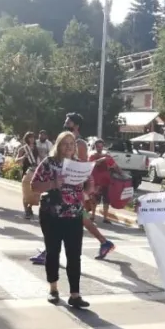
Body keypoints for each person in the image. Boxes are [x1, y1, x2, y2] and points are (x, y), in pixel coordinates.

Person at [30, 113, 114, 264]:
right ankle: (104, 242)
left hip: (75, 192)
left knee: (75, 221)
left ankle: (49, 252)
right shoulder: (64, 140)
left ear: (75, 124)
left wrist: (86, 191)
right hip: (64, 194)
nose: (65, 122)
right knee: (81, 220)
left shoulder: (79, 144)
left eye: (68, 121)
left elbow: (81, 165)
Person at [31, 130, 90, 309]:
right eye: (65, 143)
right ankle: (53, 288)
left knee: (74, 255)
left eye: (72, 144)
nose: (69, 147)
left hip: (74, 215)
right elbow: (34, 186)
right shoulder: (49, 163)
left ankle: (75, 294)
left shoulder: (79, 164)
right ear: (58, 145)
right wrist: (53, 184)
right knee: (53, 252)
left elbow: (90, 183)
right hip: (52, 215)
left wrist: (87, 193)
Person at [88, 138, 117, 223]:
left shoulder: (107, 156)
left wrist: (111, 167)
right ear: (95, 147)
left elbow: (114, 165)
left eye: (101, 146)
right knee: (94, 199)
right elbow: (91, 164)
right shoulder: (92, 155)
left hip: (106, 181)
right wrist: (101, 160)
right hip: (96, 181)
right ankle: (93, 216)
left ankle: (105, 217)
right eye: (98, 146)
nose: (99, 148)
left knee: (106, 200)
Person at [17, 132, 40, 219]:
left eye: (33, 137)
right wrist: (23, 157)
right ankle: (26, 210)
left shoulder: (36, 148)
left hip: (35, 171)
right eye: (30, 137)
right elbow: (16, 160)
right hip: (26, 171)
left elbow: (39, 159)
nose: (32, 139)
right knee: (26, 192)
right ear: (26, 138)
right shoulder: (22, 149)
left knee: (34, 193)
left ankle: (30, 207)